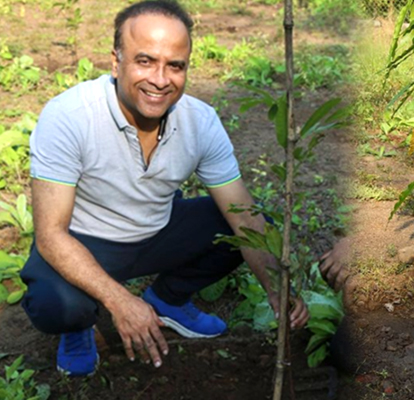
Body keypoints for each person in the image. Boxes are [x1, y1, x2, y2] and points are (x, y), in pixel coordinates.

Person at [21, 0, 309, 377]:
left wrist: (276, 286)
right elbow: (51, 235)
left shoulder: (200, 122)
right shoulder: (69, 117)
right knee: (53, 303)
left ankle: (167, 299)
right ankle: (78, 327)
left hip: (156, 233)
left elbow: (245, 218)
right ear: (116, 61)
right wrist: (120, 301)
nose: (160, 79)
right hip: (84, 241)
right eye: (145, 61)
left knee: (245, 231)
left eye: (175, 66)